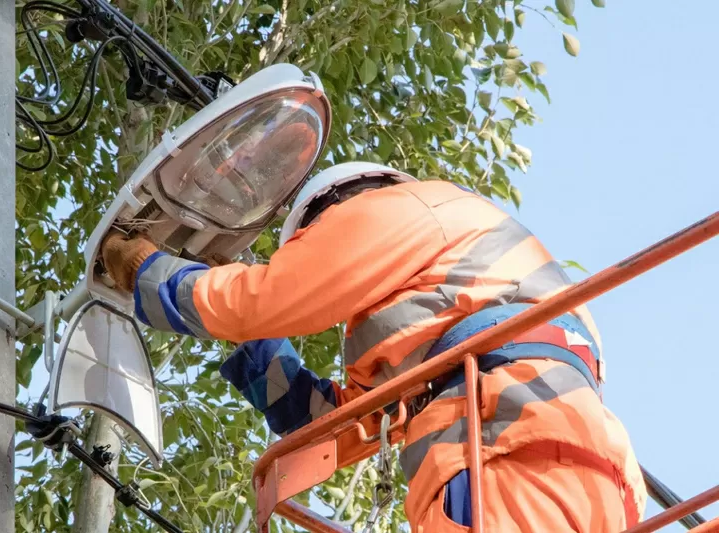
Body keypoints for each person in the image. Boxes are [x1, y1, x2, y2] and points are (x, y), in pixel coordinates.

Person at [101, 161, 646, 532]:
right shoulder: (436, 316)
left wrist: (150, 271)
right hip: (571, 467)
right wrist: (257, 341)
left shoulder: (399, 209)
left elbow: (265, 298)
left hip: (508, 455)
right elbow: (337, 426)